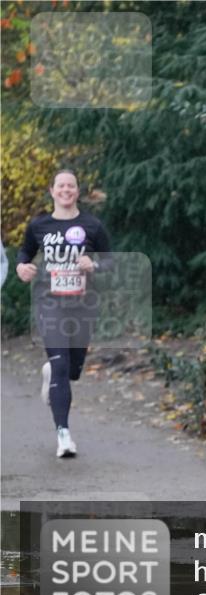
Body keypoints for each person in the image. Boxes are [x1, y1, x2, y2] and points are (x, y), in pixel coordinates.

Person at [16, 169, 112, 458]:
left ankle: (52, 373)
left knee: (73, 370)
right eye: (61, 186)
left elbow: (111, 262)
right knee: (60, 365)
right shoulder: (39, 225)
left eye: (71, 186)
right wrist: (23, 268)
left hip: (83, 305)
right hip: (50, 303)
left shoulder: (93, 225)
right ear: (52, 191)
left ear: (77, 192)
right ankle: (63, 435)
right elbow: (24, 254)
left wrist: (93, 266)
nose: (66, 190)